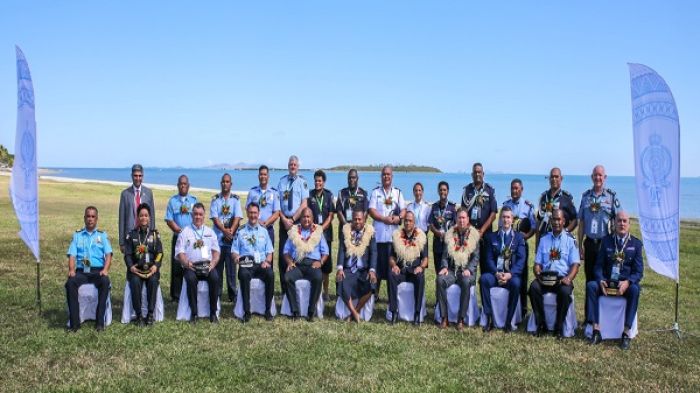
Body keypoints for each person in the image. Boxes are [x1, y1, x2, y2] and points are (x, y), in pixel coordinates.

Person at [585, 211, 642, 350]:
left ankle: (626, 333)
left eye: (625, 221)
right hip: (607, 282)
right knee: (591, 286)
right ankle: (596, 330)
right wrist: (600, 280)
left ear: (629, 224)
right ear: (614, 223)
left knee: (635, 289)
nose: (622, 224)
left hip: (624, 284)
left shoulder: (636, 244)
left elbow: (638, 271)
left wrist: (628, 282)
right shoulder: (606, 241)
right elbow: (598, 266)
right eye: (619, 221)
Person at [529, 209, 580, 338]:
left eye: (559, 219)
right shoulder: (544, 239)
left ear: (563, 221)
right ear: (551, 221)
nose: (556, 222)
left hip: (561, 278)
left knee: (565, 292)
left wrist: (569, 278)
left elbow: (575, 264)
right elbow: (537, 263)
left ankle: (558, 326)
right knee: (533, 288)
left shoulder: (570, 240)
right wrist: (537, 273)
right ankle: (541, 324)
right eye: (554, 219)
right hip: (545, 277)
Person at [65, 206, 113, 332]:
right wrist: (71, 270)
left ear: (97, 219)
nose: (90, 219)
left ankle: (99, 322)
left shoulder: (102, 236)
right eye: (88, 216)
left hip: (97, 270)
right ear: (84, 218)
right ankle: (75, 324)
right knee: (70, 283)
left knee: (105, 281)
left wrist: (106, 269)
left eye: (93, 216)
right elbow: (72, 255)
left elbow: (109, 254)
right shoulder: (77, 235)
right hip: (82, 271)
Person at [479, 207, 526, 332]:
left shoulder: (518, 238)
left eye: (508, 217)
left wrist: (510, 275)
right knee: (483, 279)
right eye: (503, 217)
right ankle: (489, 318)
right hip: (496, 274)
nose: (505, 220)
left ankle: (508, 321)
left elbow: (521, 260)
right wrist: (496, 273)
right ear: (500, 219)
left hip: (510, 276)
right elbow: (488, 259)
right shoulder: (491, 237)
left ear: (512, 220)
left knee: (517, 284)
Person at [176, 202, 221, 323]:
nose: (198, 217)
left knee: (215, 278)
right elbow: (180, 252)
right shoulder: (185, 232)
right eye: (195, 214)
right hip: (192, 267)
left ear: (204, 215)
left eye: (200, 214)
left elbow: (216, 251)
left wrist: (213, 263)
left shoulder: (210, 232)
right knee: (190, 279)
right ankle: (194, 313)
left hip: (207, 266)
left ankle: (213, 313)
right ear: (191, 215)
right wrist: (186, 263)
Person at [436, 208, 479, 331]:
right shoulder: (450, 234)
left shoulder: (474, 235)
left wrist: (469, 270)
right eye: (459, 217)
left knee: (466, 281)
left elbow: (476, 258)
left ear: (468, 219)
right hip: (451, 270)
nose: (461, 220)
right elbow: (444, 255)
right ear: (456, 219)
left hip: (466, 270)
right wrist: (444, 267)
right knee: (440, 280)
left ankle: (461, 319)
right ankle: (444, 317)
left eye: (464, 218)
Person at [283, 208, 329, 321]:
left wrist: (321, 262)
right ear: (300, 218)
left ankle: (311, 311)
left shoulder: (318, 231)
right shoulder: (294, 231)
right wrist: (289, 262)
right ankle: (295, 312)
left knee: (318, 278)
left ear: (312, 219)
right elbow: (285, 251)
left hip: (312, 264)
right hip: (297, 264)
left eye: (309, 217)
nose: (306, 219)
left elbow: (326, 252)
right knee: (287, 277)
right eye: (304, 217)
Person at [578, 165, 622, 285]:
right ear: (592, 177)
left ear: (605, 177)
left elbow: (620, 219)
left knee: (605, 278)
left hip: (606, 243)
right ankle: (590, 304)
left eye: (600, 175)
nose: (598, 178)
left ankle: (602, 303)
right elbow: (581, 223)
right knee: (590, 280)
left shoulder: (611, 196)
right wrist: (580, 246)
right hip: (590, 244)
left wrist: (618, 244)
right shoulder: (585, 196)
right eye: (595, 175)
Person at [368, 165, 406, 300]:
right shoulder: (375, 193)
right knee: (376, 267)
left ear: (392, 176)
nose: (386, 177)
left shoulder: (398, 193)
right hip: (378, 237)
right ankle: (374, 295)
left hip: (392, 238)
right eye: (384, 174)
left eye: (388, 174)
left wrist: (399, 218)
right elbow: (371, 210)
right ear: (381, 176)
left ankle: (391, 297)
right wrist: (383, 219)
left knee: (391, 268)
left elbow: (403, 210)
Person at [232, 202, 275, 322]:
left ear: (259, 214)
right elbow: (234, 251)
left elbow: (270, 251)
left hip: (261, 263)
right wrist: (236, 258)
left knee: (270, 274)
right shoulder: (240, 231)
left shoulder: (264, 231)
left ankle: (267, 310)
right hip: (246, 264)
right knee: (244, 275)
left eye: (255, 213)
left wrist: (267, 261)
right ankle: (247, 312)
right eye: (250, 212)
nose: (253, 215)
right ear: (247, 213)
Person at [124, 203, 163, 326]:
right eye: (141, 216)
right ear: (137, 218)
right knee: (134, 282)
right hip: (137, 270)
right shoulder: (132, 235)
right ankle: (139, 315)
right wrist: (131, 267)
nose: (144, 218)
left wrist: (156, 266)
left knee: (153, 281)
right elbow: (128, 254)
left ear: (149, 217)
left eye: (146, 215)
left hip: (151, 269)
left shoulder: (155, 235)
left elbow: (160, 253)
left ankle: (150, 314)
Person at [502, 178, 537, 318]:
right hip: (506, 248)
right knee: (506, 271)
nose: (514, 191)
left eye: (517, 188)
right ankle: (508, 303)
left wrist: (523, 238)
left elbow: (533, 227)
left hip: (521, 246)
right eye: (512, 188)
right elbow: (501, 224)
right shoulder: (506, 205)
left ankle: (522, 308)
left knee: (521, 276)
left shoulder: (528, 206)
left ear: (522, 189)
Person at [336, 209, 378, 322]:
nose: (357, 221)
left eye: (360, 219)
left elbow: (374, 252)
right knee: (341, 280)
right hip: (349, 269)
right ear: (352, 220)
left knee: (372, 283)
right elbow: (341, 250)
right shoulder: (346, 231)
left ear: (364, 220)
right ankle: (354, 312)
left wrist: (372, 270)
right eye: (355, 219)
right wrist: (340, 268)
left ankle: (354, 312)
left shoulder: (370, 233)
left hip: (363, 270)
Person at [387, 211, 428, 326]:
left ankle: (417, 313)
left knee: (421, 277)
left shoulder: (421, 237)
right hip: (401, 269)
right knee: (391, 275)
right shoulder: (397, 235)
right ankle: (394, 312)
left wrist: (421, 267)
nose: (408, 223)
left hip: (414, 270)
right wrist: (394, 265)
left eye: (410, 221)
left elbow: (425, 259)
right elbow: (391, 257)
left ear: (414, 223)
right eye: (406, 221)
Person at [277, 156, 309, 294]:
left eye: (295, 164)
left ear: (298, 166)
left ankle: (295, 287)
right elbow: (277, 204)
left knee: (296, 255)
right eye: (291, 164)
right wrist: (284, 220)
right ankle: (285, 290)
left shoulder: (302, 182)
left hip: (296, 223)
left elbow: (304, 204)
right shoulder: (282, 181)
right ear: (288, 165)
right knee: (283, 255)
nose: (293, 166)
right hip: (284, 222)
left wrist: (293, 219)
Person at [164, 175, 198, 302]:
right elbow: (169, 219)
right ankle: (176, 295)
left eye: (185, 184)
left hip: (191, 239)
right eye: (181, 184)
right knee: (177, 266)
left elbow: (197, 217)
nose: (183, 186)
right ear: (178, 185)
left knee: (191, 264)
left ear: (188, 185)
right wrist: (179, 230)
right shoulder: (173, 201)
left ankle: (190, 290)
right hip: (178, 237)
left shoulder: (194, 200)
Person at [210, 173, 243, 302]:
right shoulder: (215, 199)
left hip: (231, 241)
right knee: (218, 269)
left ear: (231, 184)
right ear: (221, 183)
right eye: (223, 181)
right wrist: (224, 231)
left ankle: (232, 295)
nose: (225, 184)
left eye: (227, 181)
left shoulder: (236, 200)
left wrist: (231, 231)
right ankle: (217, 294)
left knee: (231, 270)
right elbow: (215, 218)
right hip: (218, 240)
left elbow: (237, 217)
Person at [460, 162, 497, 272]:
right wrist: (473, 230)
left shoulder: (489, 190)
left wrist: (481, 231)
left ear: (483, 173)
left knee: (486, 268)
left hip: (486, 235)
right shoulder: (467, 190)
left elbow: (493, 213)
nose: (477, 174)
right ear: (472, 174)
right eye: (475, 172)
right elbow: (463, 213)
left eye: (479, 172)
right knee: (469, 268)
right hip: (470, 234)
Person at [307, 170, 335, 302]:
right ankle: (314, 290)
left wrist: (321, 228)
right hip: (312, 234)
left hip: (326, 234)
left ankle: (325, 292)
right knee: (312, 261)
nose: (317, 183)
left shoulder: (329, 196)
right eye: (316, 180)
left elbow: (331, 216)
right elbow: (307, 213)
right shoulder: (310, 195)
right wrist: (314, 229)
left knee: (326, 266)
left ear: (323, 182)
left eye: (320, 181)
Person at [536, 167, 577, 247]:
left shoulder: (567, 198)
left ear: (561, 178)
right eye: (552, 177)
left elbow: (575, 220)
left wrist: (566, 230)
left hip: (561, 242)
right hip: (544, 241)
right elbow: (539, 222)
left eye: (556, 176)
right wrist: (537, 245)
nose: (554, 179)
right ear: (549, 179)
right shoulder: (543, 197)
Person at [118, 164, 155, 253]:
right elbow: (122, 219)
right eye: (135, 176)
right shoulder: (125, 194)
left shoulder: (148, 193)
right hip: (130, 236)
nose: (138, 178)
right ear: (131, 176)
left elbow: (152, 216)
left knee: (146, 262)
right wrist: (122, 242)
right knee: (131, 264)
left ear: (143, 176)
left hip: (145, 235)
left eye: (140, 176)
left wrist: (152, 235)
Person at [246, 165, 281, 246]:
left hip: (268, 229)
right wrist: (258, 222)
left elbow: (277, 213)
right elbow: (247, 209)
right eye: (261, 174)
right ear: (258, 176)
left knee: (268, 256)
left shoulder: (274, 192)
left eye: (265, 174)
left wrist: (265, 224)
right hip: (253, 229)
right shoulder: (252, 192)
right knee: (253, 255)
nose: (263, 176)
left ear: (268, 176)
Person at [429, 181, 457, 273]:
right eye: (440, 190)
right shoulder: (434, 206)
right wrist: (437, 232)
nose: (442, 192)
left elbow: (456, 224)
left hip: (449, 244)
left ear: (448, 191)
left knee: (448, 270)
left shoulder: (452, 207)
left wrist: (448, 234)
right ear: (438, 191)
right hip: (437, 243)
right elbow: (430, 223)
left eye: (444, 190)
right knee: (438, 271)